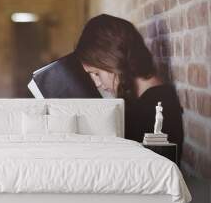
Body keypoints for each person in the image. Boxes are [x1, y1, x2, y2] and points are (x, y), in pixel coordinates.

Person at [74, 14, 183, 160]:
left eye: (96, 73)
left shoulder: (155, 108)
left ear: (112, 59)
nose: (97, 83)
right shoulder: (144, 103)